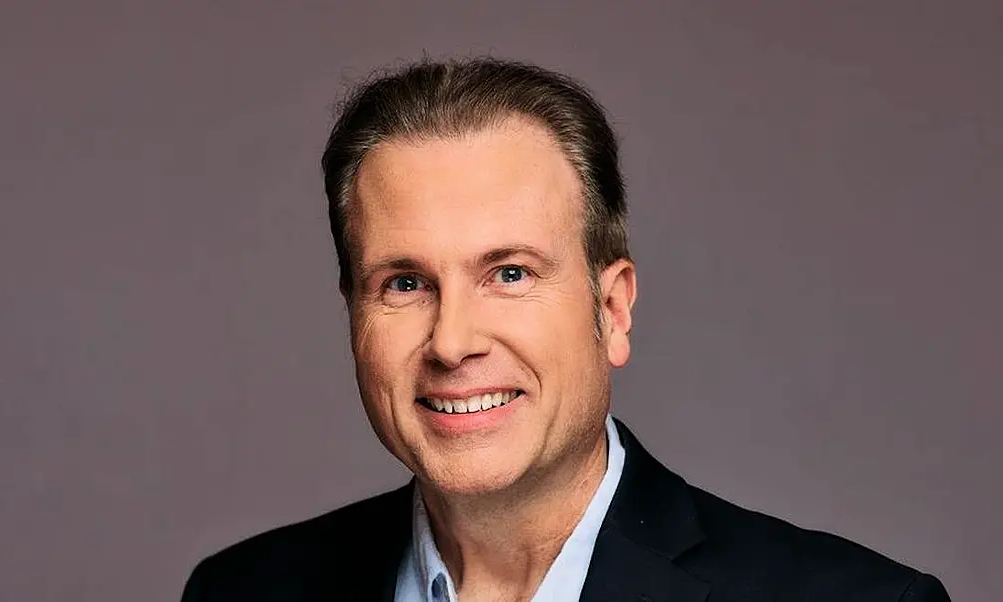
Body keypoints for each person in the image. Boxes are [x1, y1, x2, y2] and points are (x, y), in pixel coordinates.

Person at [180, 57, 949, 601]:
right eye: (406, 283)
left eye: (509, 274)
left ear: (611, 309)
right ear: (354, 313)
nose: (453, 342)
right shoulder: (241, 590)